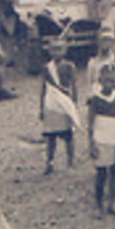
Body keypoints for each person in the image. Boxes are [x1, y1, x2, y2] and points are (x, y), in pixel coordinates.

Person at [87, 63, 115, 216]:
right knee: (101, 172)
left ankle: (112, 203)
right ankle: (99, 204)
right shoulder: (95, 99)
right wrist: (91, 142)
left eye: (112, 81)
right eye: (106, 81)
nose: (109, 84)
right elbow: (90, 122)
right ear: (100, 81)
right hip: (102, 135)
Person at [39, 40, 78, 173]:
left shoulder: (69, 66)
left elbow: (74, 86)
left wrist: (74, 104)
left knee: (68, 135)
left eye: (60, 49)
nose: (57, 52)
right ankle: (49, 162)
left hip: (64, 102)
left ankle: (71, 161)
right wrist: (41, 107)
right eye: (54, 49)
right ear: (50, 51)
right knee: (51, 136)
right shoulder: (47, 67)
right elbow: (44, 87)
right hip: (51, 103)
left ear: (65, 50)